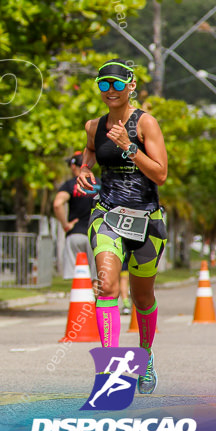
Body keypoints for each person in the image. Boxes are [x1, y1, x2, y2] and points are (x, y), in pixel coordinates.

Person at [77, 59, 167, 394]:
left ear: (131, 85)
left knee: (143, 298)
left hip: (146, 219)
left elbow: (160, 174)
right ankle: (111, 372)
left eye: (117, 84)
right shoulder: (93, 126)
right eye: (104, 85)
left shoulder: (146, 123)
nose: (111, 91)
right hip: (107, 216)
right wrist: (84, 169)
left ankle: (144, 357)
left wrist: (129, 147)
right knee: (108, 286)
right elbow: (89, 151)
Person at [54, 151, 99, 280]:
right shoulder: (100, 183)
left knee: (78, 279)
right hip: (97, 235)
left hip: (76, 234)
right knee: (96, 280)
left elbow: (57, 204)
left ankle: (80, 300)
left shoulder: (70, 185)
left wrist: (65, 225)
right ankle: (94, 301)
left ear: (73, 166)